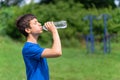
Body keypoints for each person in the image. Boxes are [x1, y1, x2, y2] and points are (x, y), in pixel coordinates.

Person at [16, 14, 62, 80]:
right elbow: (57, 52)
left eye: (38, 22)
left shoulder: (35, 47)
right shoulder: (29, 48)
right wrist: (54, 31)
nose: (39, 24)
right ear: (28, 30)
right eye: (35, 23)